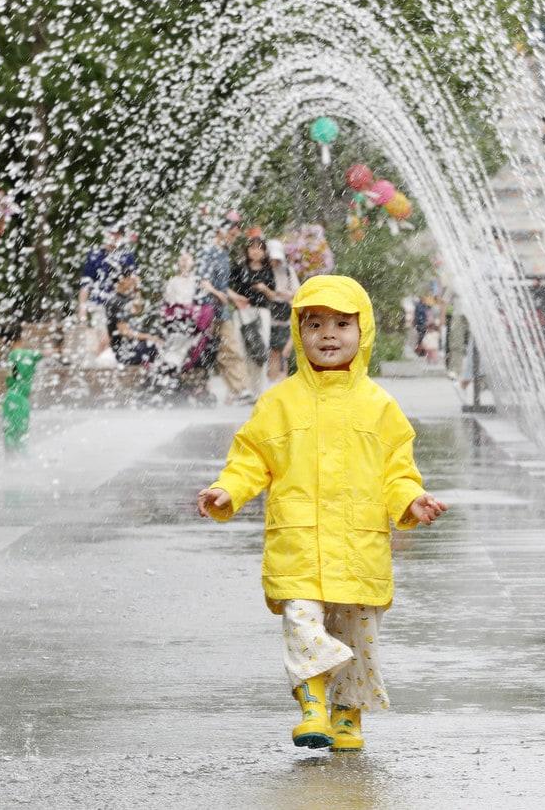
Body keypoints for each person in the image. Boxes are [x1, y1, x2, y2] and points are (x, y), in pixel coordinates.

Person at [194, 275, 447, 752]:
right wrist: (228, 489)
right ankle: (312, 701)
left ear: (363, 330)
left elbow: (397, 471)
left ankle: (348, 712)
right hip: (300, 543)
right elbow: (251, 458)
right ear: (298, 332)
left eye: (341, 324)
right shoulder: (280, 402)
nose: (328, 334)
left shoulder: (378, 406)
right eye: (314, 324)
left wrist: (411, 501)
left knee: (359, 633)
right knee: (302, 619)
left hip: (358, 545)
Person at [196, 215, 252, 404]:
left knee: (231, 348)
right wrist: (216, 293)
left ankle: (240, 390)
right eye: (231, 233)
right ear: (220, 230)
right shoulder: (208, 251)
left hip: (221, 310)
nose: (233, 237)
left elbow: (223, 285)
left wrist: (235, 297)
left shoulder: (224, 254)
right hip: (206, 310)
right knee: (207, 351)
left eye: (235, 235)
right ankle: (203, 390)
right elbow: (203, 281)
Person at [230, 236, 275, 395]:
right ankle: (244, 390)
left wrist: (264, 289)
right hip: (241, 313)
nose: (255, 251)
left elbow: (273, 296)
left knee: (260, 349)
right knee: (241, 350)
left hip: (261, 313)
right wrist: (236, 298)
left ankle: (260, 390)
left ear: (264, 252)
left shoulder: (268, 270)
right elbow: (227, 288)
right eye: (252, 248)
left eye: (259, 248)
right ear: (247, 250)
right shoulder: (239, 268)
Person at [1, 325, 42, 454]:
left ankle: (13, 465)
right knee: (22, 433)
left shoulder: (12, 355)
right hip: (24, 400)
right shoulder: (29, 354)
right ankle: (25, 464)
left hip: (12, 397)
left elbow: (10, 379)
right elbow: (40, 354)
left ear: (5, 340)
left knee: (10, 434)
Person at [265, 239, 299, 381]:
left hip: (286, 314)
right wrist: (275, 294)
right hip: (269, 315)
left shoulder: (288, 271)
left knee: (284, 353)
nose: (275, 262)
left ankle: (281, 382)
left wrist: (286, 294)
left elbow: (297, 291)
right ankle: (272, 385)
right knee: (273, 353)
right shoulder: (264, 272)